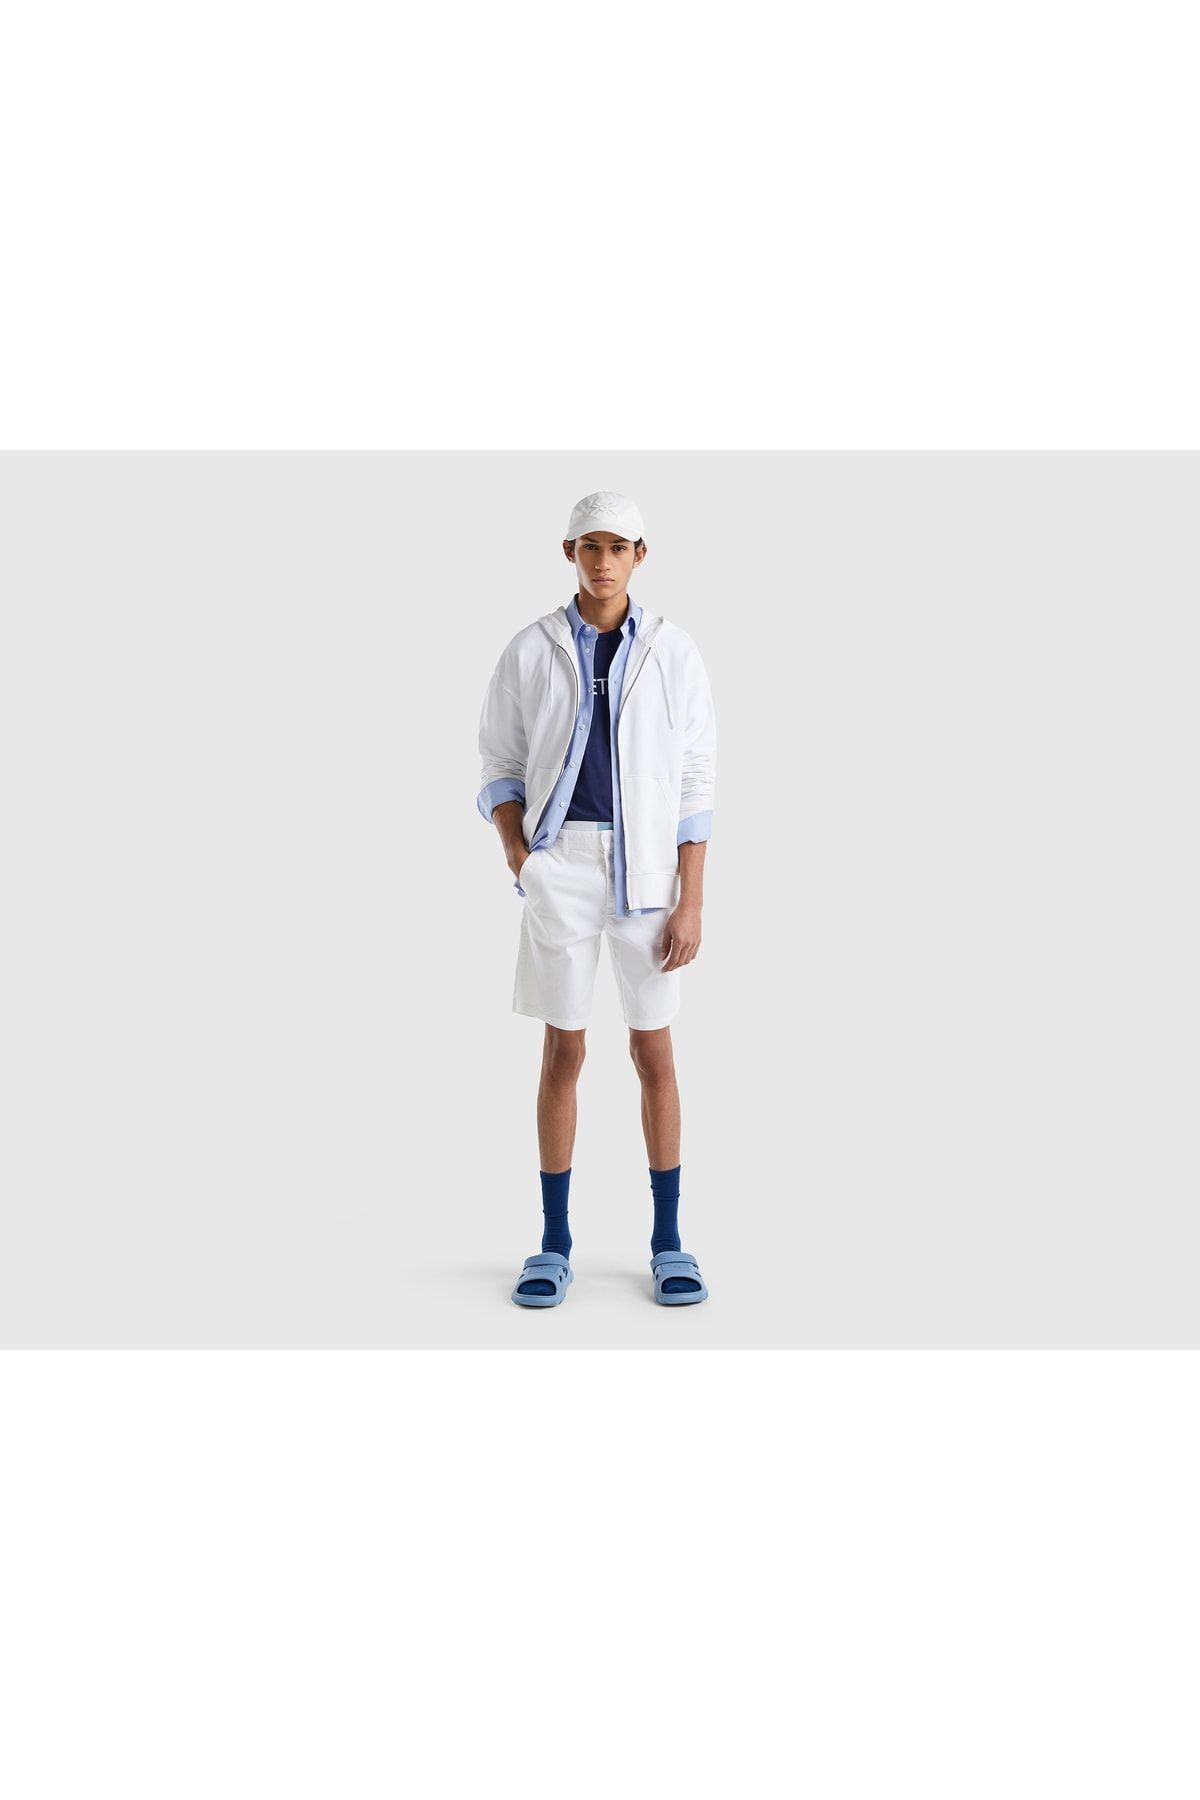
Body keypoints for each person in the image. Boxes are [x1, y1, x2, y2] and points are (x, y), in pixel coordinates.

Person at [475, 490, 717, 1309]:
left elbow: (696, 778)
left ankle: (668, 1241)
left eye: (619, 547)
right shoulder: (530, 649)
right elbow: (499, 759)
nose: (604, 561)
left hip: (648, 874)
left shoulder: (674, 652)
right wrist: (521, 856)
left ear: (640, 555)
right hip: (564, 864)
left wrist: (690, 899)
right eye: (591, 546)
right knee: (564, 1050)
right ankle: (554, 1244)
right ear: (569, 552)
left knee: (654, 1051)